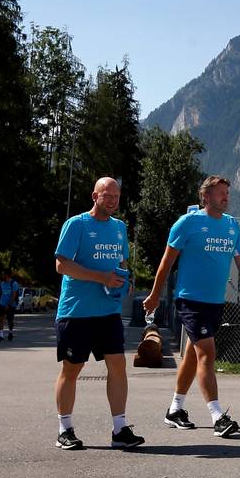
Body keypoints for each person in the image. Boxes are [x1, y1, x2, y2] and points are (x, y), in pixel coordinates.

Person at [143, 175, 240, 438]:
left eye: (227, 193)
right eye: (220, 193)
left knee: (193, 355)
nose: (225, 197)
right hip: (190, 299)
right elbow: (167, 261)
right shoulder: (188, 223)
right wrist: (154, 294)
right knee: (207, 352)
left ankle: (175, 409)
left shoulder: (232, 226)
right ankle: (218, 416)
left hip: (214, 302)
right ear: (205, 197)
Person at [52, 176, 144, 451]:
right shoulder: (77, 224)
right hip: (76, 311)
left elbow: (122, 260)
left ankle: (119, 429)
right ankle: (64, 429)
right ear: (94, 196)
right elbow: (61, 265)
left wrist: (125, 279)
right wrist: (101, 278)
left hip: (108, 312)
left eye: (116, 196)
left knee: (117, 366)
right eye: (107, 195)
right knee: (72, 369)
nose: (113, 200)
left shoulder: (119, 228)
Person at [0, 271, 21, 342]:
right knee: (0, 319)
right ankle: (1, 336)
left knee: (10, 321)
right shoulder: (2, 283)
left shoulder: (14, 283)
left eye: (3, 275)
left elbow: (14, 295)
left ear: (7, 275)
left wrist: (8, 304)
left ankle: (10, 332)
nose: (2, 276)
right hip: (1, 303)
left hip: (11, 305)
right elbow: (0, 293)